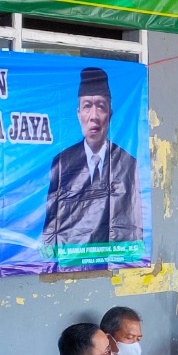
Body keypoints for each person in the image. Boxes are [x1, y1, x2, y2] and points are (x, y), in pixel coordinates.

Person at [43, 66, 142, 249]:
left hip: (112, 258)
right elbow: (51, 223)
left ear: (110, 114)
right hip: (73, 258)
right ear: (78, 113)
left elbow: (135, 222)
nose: (94, 117)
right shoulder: (63, 163)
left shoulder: (128, 163)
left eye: (101, 107)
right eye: (87, 106)